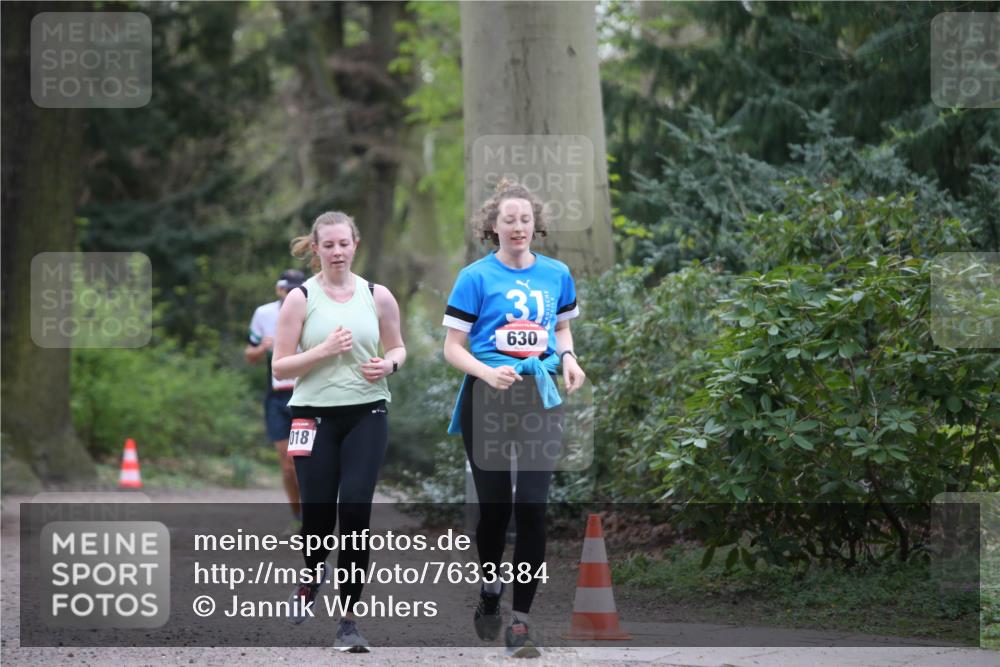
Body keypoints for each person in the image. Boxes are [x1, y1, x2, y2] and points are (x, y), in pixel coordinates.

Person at [442, 179, 586, 658]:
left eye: (526, 219)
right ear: (493, 226)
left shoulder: (557, 274)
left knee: (533, 508)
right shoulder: (475, 277)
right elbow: (451, 348)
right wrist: (487, 372)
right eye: (509, 219)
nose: (518, 227)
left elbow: (561, 329)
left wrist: (568, 359)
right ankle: (489, 591)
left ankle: (521, 623)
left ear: (536, 225)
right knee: (495, 512)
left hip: (539, 396)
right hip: (488, 399)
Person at [272, 211, 406, 653]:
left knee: (354, 514)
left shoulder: (377, 295)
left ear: (355, 244)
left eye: (343, 243)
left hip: (367, 414)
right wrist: (324, 350)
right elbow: (280, 365)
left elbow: (397, 346)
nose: (336, 251)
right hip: (312, 417)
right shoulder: (300, 299)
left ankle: (348, 621)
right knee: (317, 516)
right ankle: (312, 574)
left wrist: (389, 364)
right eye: (327, 245)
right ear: (316, 249)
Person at [245, 269, 305, 527]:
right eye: (286, 288)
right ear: (278, 289)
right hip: (278, 397)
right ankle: (298, 517)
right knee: (289, 465)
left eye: (296, 288)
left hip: (306, 395)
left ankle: (314, 518)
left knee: (306, 462)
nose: (290, 292)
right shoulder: (264, 314)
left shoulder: (314, 310)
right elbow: (250, 354)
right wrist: (262, 348)